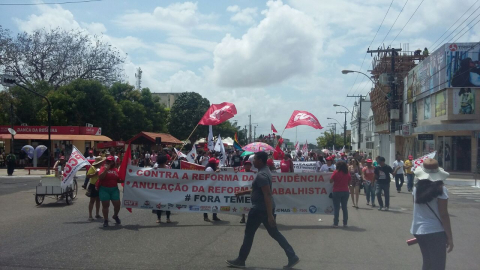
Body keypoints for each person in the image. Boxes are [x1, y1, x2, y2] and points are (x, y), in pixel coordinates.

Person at [226, 152, 299, 269]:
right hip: (264, 209)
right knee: (274, 233)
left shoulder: (261, 175)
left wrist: (270, 215)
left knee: (249, 234)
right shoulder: (265, 171)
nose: (253, 161)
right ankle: (292, 256)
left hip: (259, 210)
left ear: (260, 160)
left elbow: (267, 194)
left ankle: (241, 260)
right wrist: (243, 192)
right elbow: (259, 189)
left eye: (254, 159)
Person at [411, 158, 453, 270]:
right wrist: (450, 237)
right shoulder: (441, 189)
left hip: (418, 230)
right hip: (435, 231)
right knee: (438, 265)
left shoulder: (416, 188)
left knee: (427, 262)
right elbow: (444, 214)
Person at [96, 156, 122, 227]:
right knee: (105, 205)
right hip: (104, 189)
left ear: (113, 162)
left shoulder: (116, 170)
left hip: (114, 189)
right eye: (107, 161)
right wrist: (106, 170)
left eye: (110, 161)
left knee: (117, 205)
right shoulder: (102, 168)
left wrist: (126, 179)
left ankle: (115, 215)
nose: (108, 162)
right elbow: (100, 177)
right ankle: (106, 220)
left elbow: (119, 180)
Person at [330, 161, 350, 227]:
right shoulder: (347, 173)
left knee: (336, 208)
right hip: (345, 191)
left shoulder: (335, 172)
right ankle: (345, 223)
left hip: (336, 191)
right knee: (344, 207)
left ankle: (336, 223)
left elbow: (331, 181)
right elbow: (349, 181)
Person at [154, 155, 172, 224]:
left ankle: (168, 218)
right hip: (159, 189)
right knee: (159, 204)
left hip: (167, 188)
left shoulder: (168, 168)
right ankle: (159, 218)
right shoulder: (156, 169)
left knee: (167, 203)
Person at [86, 156, 105, 221]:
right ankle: (90, 215)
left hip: (100, 185)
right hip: (93, 185)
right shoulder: (93, 167)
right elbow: (88, 175)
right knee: (92, 200)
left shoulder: (102, 168)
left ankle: (97, 214)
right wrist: (95, 174)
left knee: (98, 200)